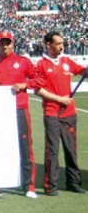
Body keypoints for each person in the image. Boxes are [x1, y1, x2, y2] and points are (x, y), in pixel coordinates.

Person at [0, 31, 39, 199]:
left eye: (8, 42)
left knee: (25, 148)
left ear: (13, 43)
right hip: (1, 113)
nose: (5, 46)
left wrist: (25, 84)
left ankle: (28, 185)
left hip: (20, 110)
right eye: (2, 43)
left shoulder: (23, 62)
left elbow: (39, 80)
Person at [34, 31, 87, 196]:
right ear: (48, 44)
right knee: (53, 150)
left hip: (69, 113)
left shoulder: (66, 61)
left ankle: (74, 183)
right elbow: (38, 90)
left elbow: (82, 71)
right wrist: (59, 99)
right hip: (52, 113)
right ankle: (51, 186)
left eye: (62, 43)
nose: (61, 46)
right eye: (58, 43)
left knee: (71, 150)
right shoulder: (41, 64)